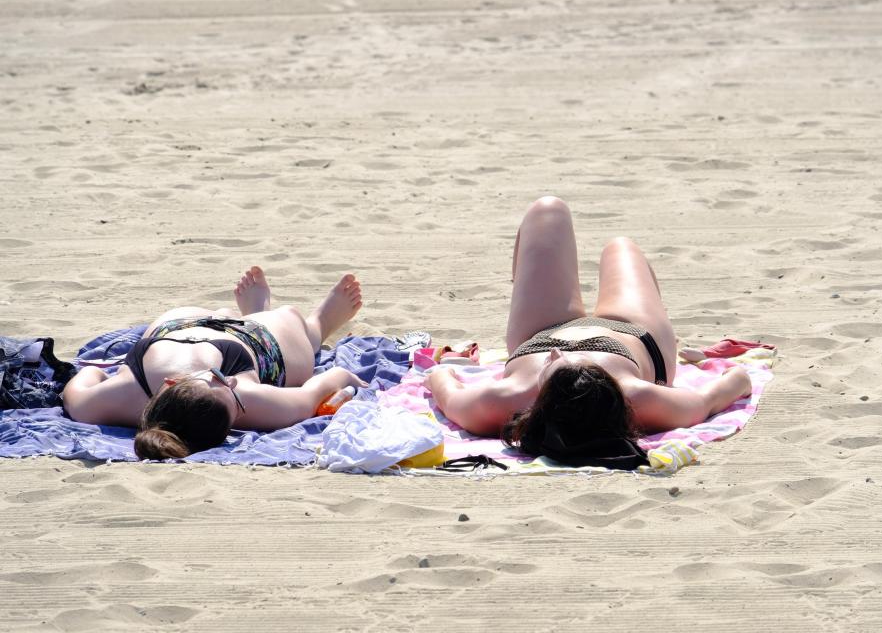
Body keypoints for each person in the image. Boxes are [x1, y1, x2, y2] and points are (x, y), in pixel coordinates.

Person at [424, 196, 752, 468]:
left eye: (555, 363)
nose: (560, 353)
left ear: (541, 401)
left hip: (539, 332)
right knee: (620, 248)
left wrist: (450, 379)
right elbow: (736, 383)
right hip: (633, 332)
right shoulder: (641, 399)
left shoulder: (500, 403)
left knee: (547, 209)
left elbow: (439, 378)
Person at [63, 267, 365, 460]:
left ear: (170, 383)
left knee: (268, 325)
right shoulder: (248, 400)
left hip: (181, 324)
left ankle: (256, 310)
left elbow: (86, 374)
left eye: (220, 378)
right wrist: (345, 378)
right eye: (234, 395)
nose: (232, 382)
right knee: (290, 320)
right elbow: (316, 389)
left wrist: (111, 385)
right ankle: (316, 325)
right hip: (252, 344)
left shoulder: (108, 402)